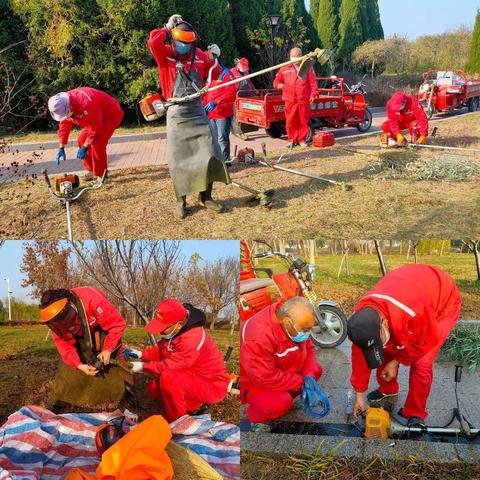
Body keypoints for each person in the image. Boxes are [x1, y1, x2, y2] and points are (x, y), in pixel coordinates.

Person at [347, 264, 461, 428]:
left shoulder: (414, 313)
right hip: (409, 287)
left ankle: (415, 412)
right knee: (385, 346)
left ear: (385, 322)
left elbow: (424, 342)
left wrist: (396, 361)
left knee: (421, 364)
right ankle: (388, 388)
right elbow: (360, 356)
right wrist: (359, 394)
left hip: (442, 301)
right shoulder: (361, 322)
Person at [147, 14, 230, 219]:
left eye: (188, 43)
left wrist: (216, 57)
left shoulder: (200, 56)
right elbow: (152, 41)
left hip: (197, 110)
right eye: (180, 42)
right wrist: (167, 28)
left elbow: (216, 72)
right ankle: (181, 201)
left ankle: (206, 197)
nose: (184, 46)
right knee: (179, 160)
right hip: (176, 112)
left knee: (211, 152)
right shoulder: (164, 54)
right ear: (174, 39)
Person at [126, 298, 230, 422]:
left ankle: (178, 422)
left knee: (168, 378)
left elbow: (172, 366)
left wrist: (143, 367)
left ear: (179, 324)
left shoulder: (192, 338)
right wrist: (141, 354)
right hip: (192, 376)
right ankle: (191, 406)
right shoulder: (175, 331)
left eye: (164, 327)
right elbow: (162, 350)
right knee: (154, 388)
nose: (160, 331)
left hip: (212, 385)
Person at [39, 287, 131, 408]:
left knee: (114, 355)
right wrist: (79, 365)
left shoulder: (92, 299)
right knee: (70, 365)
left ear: (71, 305)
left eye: (68, 318)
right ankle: (62, 398)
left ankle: (127, 389)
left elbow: (116, 325)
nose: (67, 325)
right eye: (61, 323)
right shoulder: (56, 322)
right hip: (79, 335)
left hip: (100, 328)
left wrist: (107, 349)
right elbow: (65, 348)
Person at [240, 297, 323, 432]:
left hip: (281, 369)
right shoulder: (259, 336)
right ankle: (256, 418)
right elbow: (264, 377)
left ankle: (287, 394)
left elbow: (309, 349)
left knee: (315, 371)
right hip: (253, 381)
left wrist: (308, 375)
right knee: (279, 403)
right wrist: (300, 381)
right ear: (287, 322)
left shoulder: (294, 325)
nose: (308, 333)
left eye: (310, 329)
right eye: (305, 329)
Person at [48, 88, 124, 181]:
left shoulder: (86, 103)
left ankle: (101, 175)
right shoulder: (62, 104)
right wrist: (61, 147)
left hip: (110, 115)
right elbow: (64, 125)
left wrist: (85, 147)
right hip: (94, 119)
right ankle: (91, 171)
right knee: (81, 139)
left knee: (97, 143)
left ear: (69, 106)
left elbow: (96, 128)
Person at [273, 47, 318, 148]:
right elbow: (276, 81)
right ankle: (291, 140)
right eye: (292, 56)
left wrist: (313, 94)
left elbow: (313, 82)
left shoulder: (307, 67)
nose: (294, 58)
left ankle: (301, 140)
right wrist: (280, 85)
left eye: (296, 56)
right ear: (290, 57)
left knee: (303, 120)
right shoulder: (284, 68)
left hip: (303, 98)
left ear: (301, 56)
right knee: (290, 120)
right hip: (289, 99)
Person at [202, 59, 237, 165]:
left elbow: (231, 93)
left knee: (222, 138)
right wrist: (203, 104)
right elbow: (207, 92)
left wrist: (216, 102)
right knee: (214, 138)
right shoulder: (209, 75)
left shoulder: (226, 74)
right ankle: (218, 161)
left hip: (223, 113)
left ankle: (225, 162)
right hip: (211, 113)